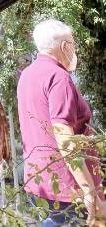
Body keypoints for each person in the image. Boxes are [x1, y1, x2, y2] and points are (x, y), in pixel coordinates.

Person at [17, 19, 105, 226]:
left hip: (38, 179)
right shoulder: (58, 77)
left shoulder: (27, 75)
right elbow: (64, 138)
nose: (74, 49)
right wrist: (89, 190)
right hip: (66, 185)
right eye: (73, 44)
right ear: (64, 46)